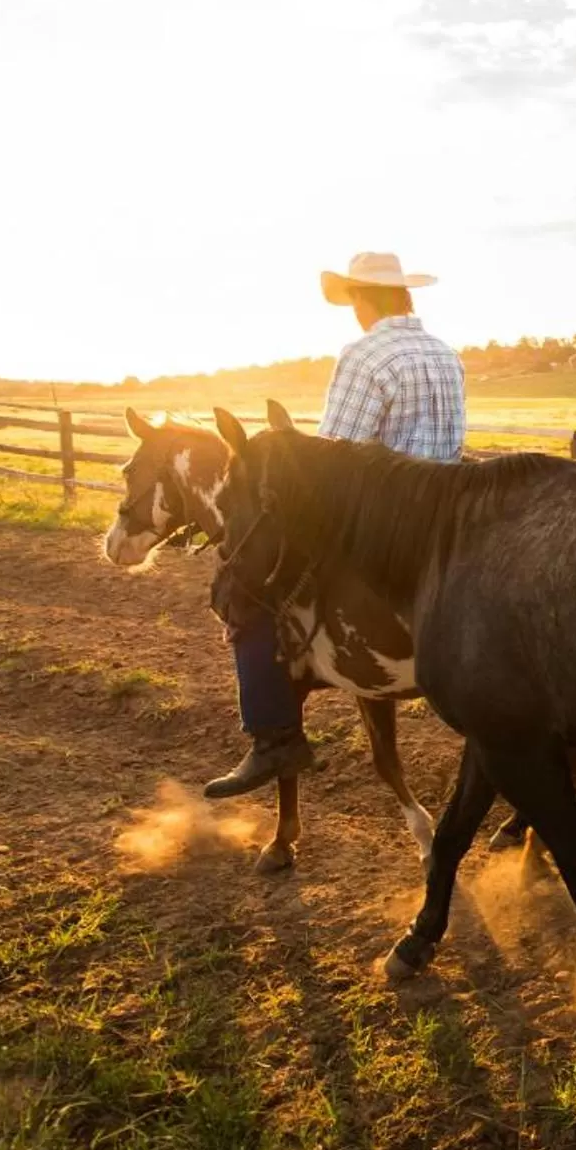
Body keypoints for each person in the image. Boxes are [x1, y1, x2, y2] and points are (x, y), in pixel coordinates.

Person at [203, 252, 468, 798]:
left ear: (362, 299)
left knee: (246, 594)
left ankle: (272, 737)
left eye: (353, 300)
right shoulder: (446, 354)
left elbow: (332, 454)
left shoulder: (364, 355)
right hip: (449, 513)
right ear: (405, 297)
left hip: (383, 521)